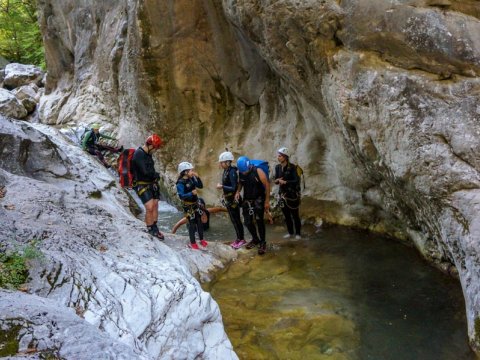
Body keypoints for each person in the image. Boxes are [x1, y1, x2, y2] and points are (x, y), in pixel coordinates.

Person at [131, 134, 165, 240]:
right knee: (149, 207)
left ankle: (154, 226)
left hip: (151, 183)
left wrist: (155, 177)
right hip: (141, 183)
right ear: (150, 145)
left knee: (155, 205)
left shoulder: (148, 154)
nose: (155, 150)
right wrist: (156, 175)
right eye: (155, 148)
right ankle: (150, 228)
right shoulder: (139, 154)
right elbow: (145, 172)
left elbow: (150, 170)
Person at [235, 156, 270, 255]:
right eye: (242, 172)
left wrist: (267, 201)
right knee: (247, 222)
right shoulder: (241, 172)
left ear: (249, 166)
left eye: (245, 171)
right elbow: (241, 183)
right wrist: (237, 191)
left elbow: (267, 184)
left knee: (259, 220)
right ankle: (255, 239)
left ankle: (262, 242)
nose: (244, 173)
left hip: (258, 198)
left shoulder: (257, 171)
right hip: (247, 199)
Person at [216, 151, 246, 249]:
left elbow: (233, 187)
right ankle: (238, 238)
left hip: (233, 200)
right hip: (229, 198)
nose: (220, 164)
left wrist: (222, 186)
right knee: (233, 220)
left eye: (222, 162)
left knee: (236, 220)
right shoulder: (226, 170)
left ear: (227, 162)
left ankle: (241, 239)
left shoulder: (232, 171)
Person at [176, 162, 208, 250]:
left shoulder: (191, 179)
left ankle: (201, 239)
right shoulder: (180, 183)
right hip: (188, 206)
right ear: (185, 172)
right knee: (192, 224)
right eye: (191, 171)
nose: (192, 172)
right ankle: (193, 243)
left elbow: (200, 186)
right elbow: (181, 196)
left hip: (195, 204)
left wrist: (197, 177)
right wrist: (191, 193)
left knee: (199, 222)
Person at [274, 147, 302, 239]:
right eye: (278, 156)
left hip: (292, 195)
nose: (278, 157)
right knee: (286, 215)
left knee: (295, 215)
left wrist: (286, 182)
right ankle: (290, 232)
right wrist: (277, 180)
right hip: (282, 195)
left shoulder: (292, 167)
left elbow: (296, 181)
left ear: (285, 157)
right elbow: (276, 180)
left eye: (280, 156)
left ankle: (298, 234)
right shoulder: (277, 167)